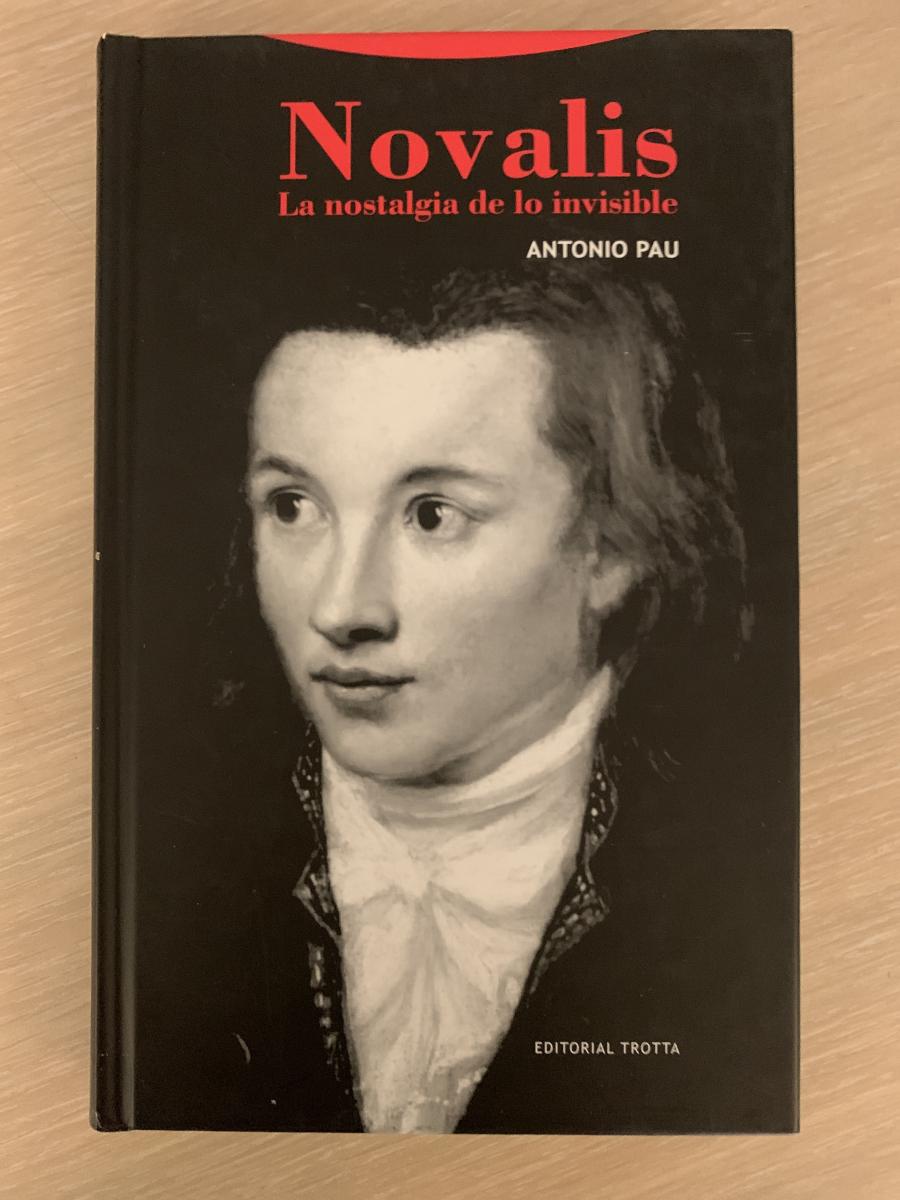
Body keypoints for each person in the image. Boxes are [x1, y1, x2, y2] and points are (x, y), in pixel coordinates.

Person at [153, 261, 768, 1134]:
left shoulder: (733, 877)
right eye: (292, 507)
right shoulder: (170, 850)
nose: (342, 609)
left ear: (612, 548)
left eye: (433, 516)